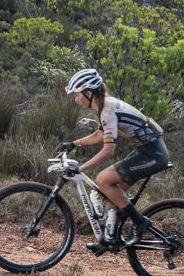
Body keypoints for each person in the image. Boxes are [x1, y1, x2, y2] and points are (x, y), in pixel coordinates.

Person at [62, 68, 169, 253]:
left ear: (88, 93)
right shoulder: (106, 106)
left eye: (77, 95)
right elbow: (100, 134)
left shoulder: (107, 110)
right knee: (113, 195)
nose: (76, 99)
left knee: (103, 179)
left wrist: (81, 168)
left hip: (153, 154)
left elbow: (108, 150)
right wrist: (75, 143)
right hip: (146, 150)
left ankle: (140, 222)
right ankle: (109, 240)